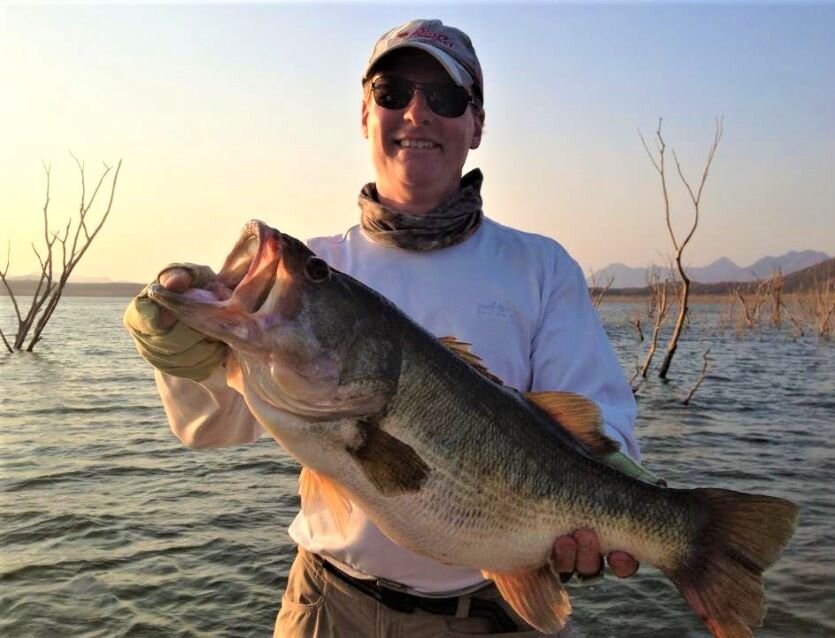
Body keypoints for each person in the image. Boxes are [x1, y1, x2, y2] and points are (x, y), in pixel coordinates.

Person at [124, 19, 644, 638]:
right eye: (393, 93)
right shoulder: (324, 264)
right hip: (328, 605)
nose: (416, 113)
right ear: (365, 114)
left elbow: (599, 423)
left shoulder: (539, 266)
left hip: (496, 617)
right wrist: (188, 360)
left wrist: (623, 505)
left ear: (476, 124)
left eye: (445, 98)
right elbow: (211, 427)